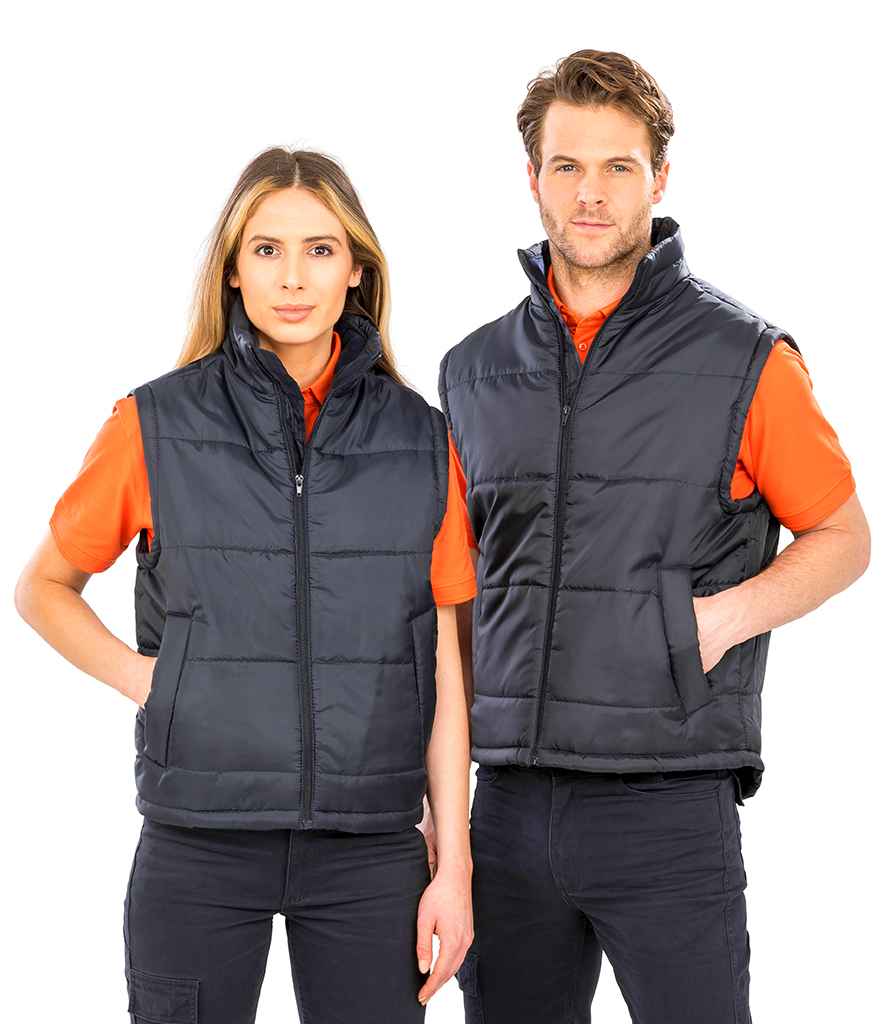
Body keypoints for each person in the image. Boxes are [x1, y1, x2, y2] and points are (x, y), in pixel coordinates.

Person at [437, 50, 871, 1023]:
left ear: (659, 178)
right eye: (567, 166)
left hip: (668, 804)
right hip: (506, 806)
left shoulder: (744, 357)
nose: (590, 194)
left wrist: (720, 620)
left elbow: (843, 534)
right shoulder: (472, 372)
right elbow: (454, 598)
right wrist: (436, 803)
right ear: (533, 177)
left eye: (617, 167)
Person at [14, 147, 476, 1024]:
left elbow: (448, 670)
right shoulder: (154, 424)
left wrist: (453, 865)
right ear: (233, 269)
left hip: (370, 850)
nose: (292, 277)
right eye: (267, 250)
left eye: (319, 249)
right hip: (199, 844)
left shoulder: (422, 440)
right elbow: (42, 588)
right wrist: (149, 680)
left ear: (357, 269)